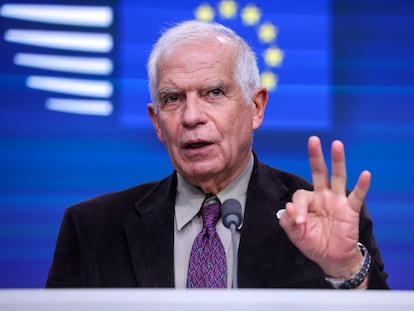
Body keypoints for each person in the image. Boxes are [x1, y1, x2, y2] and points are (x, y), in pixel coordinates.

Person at [46, 20, 389, 289]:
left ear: (256, 107)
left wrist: (345, 270)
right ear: (157, 122)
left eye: (213, 92)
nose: (191, 116)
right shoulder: (91, 228)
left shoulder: (325, 217)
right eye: (173, 99)